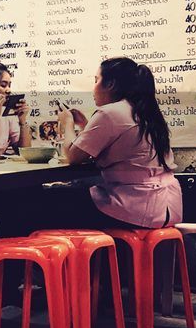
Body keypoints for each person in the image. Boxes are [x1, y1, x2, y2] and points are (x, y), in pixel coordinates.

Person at [50, 56, 183, 229]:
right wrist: (85, 126)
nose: (93, 87)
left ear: (110, 84)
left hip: (137, 207)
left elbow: (73, 157)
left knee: (35, 202)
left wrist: (67, 123)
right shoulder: (145, 110)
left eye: (96, 80)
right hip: (168, 206)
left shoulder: (109, 113)